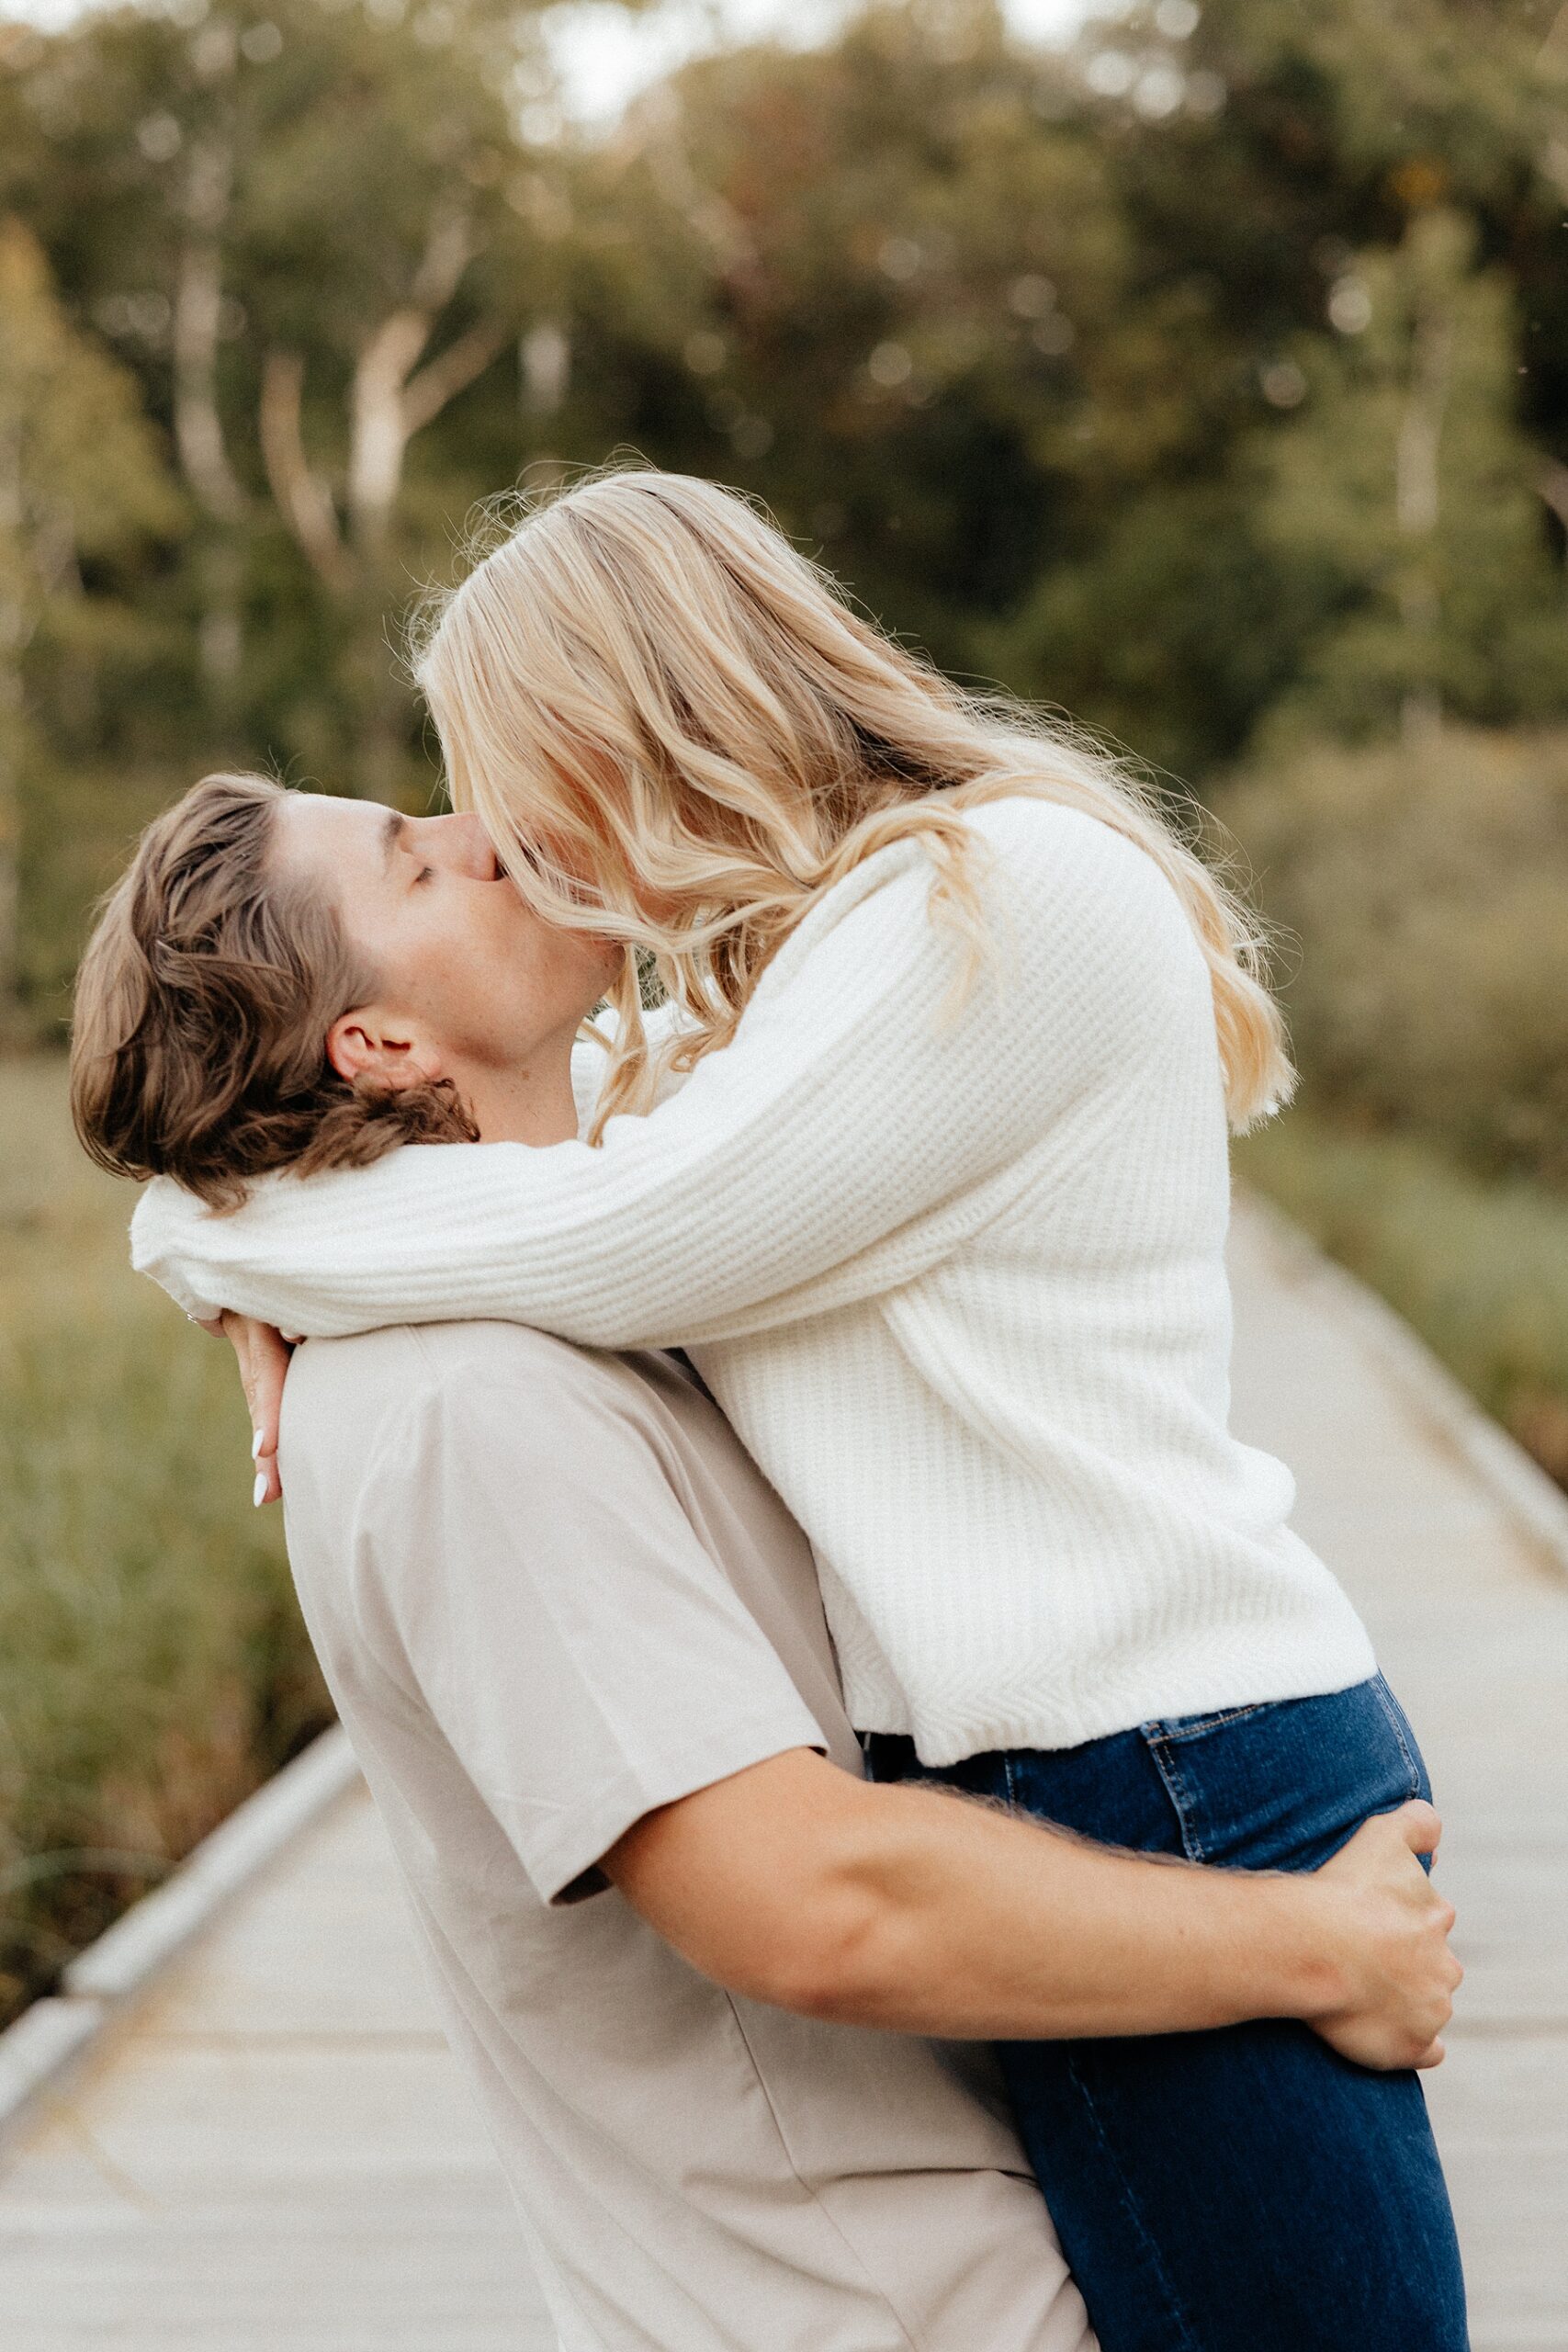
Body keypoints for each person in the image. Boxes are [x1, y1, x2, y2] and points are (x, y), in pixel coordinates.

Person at [128, 469, 1470, 2349]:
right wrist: (211, 1209)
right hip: (1045, 1775)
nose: (495, 831)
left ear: (631, 710)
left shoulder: (987, 903)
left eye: (494, 772)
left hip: (1175, 1758)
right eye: (435, 836)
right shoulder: (784, 991)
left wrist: (222, 1238)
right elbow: (583, 1169)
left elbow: (626, 1225)